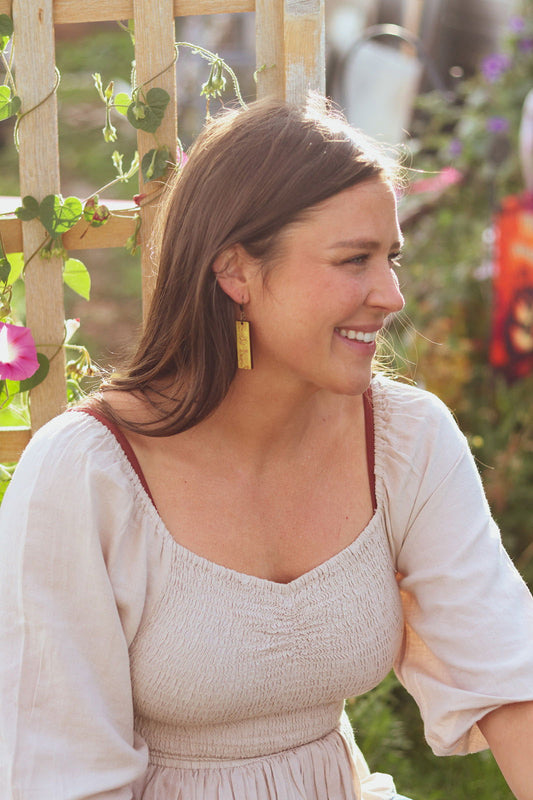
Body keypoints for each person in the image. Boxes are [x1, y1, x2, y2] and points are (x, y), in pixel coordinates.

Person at [1, 96, 533, 800]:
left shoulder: (406, 438)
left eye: (391, 258)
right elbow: (60, 776)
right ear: (236, 272)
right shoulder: (86, 474)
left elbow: (507, 675)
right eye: (355, 260)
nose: (391, 294)